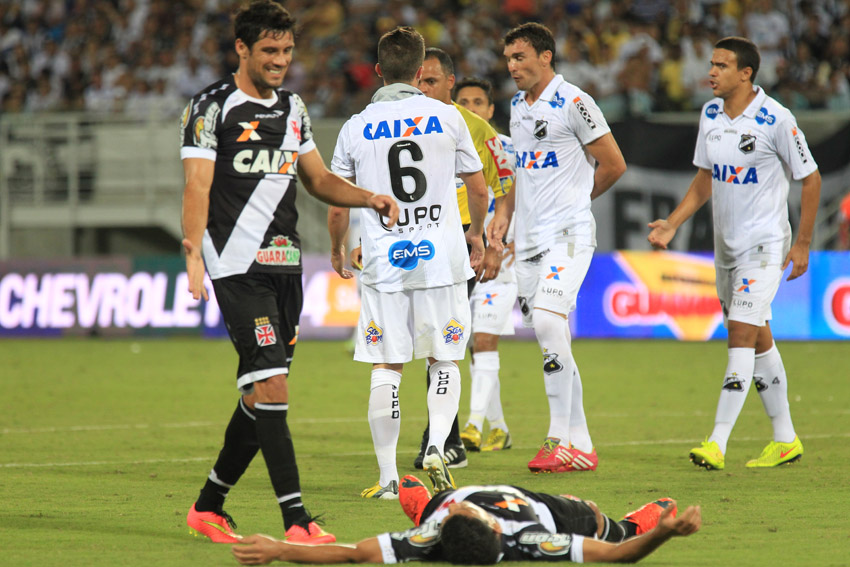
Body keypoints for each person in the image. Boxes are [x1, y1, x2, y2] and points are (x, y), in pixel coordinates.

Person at [180, 0, 399, 544]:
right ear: (242, 49)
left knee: (262, 394)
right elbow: (197, 185)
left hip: (285, 266)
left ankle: (208, 506)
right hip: (236, 266)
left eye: (286, 50)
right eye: (269, 50)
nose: (280, 60)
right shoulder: (211, 107)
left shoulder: (293, 108)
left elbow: (318, 180)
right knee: (273, 384)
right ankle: (297, 521)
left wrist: (369, 197)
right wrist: (193, 252)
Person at [326, 27, 489, 499]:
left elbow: (338, 204)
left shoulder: (355, 126)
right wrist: (476, 234)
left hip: (385, 262)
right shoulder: (448, 117)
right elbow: (478, 189)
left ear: (378, 71)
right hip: (441, 259)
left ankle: (387, 477)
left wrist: (338, 247)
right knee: (444, 357)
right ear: (420, 73)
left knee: (386, 365)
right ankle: (437, 446)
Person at [648, 36, 820, 470]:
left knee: (740, 334)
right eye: (712, 64)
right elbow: (705, 177)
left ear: (746, 74)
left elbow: (811, 177)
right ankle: (786, 439)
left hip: (765, 245)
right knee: (758, 336)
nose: (711, 72)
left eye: (721, 66)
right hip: (726, 249)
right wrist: (674, 222)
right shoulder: (710, 114)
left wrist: (802, 242)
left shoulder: (776, 118)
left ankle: (717, 442)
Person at [488, 23, 627, 473]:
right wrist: (505, 213)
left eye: (520, 57)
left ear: (545, 57)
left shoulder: (574, 102)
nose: (512, 67)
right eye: (508, 59)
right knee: (554, 338)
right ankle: (581, 444)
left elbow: (614, 164)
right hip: (528, 240)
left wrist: (578, 201)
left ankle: (557, 438)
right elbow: (520, 170)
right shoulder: (517, 106)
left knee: (549, 322)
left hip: (568, 233)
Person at [412, 47, 515, 470]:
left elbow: (504, 186)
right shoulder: (404, 123)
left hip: (459, 241)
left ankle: (444, 441)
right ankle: (448, 437)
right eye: (418, 80)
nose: (423, 88)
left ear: (449, 82)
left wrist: (492, 242)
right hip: (415, 241)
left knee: (442, 338)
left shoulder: (475, 129)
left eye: (431, 80)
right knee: (430, 340)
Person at [232, 475, 702, 565]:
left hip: (438, 505)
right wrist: (662, 534)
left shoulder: (429, 538)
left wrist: (279, 548)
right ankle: (634, 521)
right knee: (596, 520)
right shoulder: (533, 540)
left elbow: (354, 555)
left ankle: (424, 503)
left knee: (438, 502)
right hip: (541, 506)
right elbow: (618, 558)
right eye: (465, 510)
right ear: (496, 527)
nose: (465, 505)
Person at [453, 76, 518, 453]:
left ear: (491, 110)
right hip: (462, 257)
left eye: (478, 102)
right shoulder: (446, 147)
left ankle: (473, 425)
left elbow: (518, 198)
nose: (471, 109)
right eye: (464, 102)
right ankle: (500, 427)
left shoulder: (506, 148)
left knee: (484, 338)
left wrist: (506, 242)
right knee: (473, 345)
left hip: (501, 257)